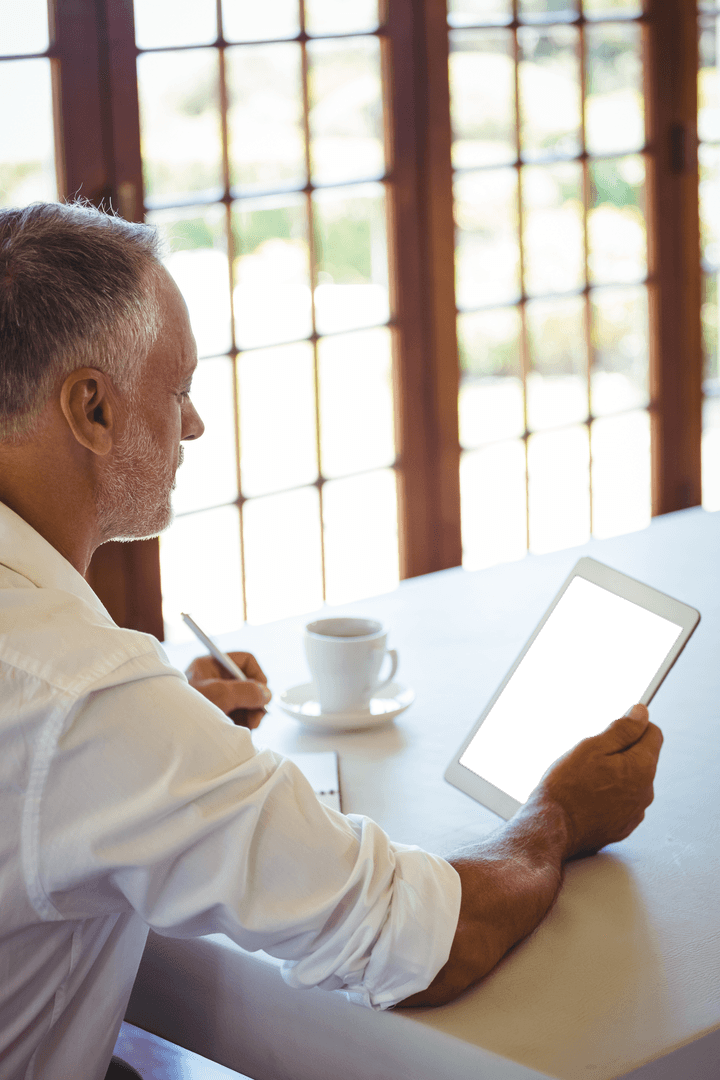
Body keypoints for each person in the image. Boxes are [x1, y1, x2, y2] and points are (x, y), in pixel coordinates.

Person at [0, 202, 663, 1080]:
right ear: (90, 408)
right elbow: (418, 941)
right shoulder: (85, 694)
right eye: (178, 390)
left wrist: (170, 738)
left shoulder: (74, 693)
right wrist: (559, 817)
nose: (193, 425)